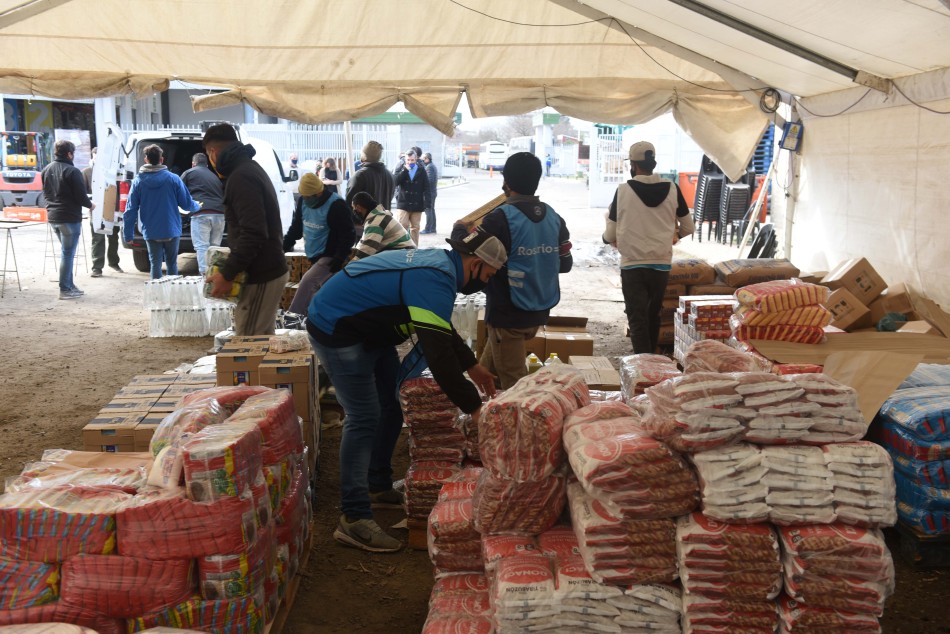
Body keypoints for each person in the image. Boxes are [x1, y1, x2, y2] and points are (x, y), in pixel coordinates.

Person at [306, 227, 507, 553]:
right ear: (475, 264)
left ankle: (377, 484)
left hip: (370, 329)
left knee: (390, 405)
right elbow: (438, 356)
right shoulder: (436, 277)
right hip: (338, 327)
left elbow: (439, 326)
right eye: (489, 275)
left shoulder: (441, 267)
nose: (486, 282)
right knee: (363, 416)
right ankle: (353, 518)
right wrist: (475, 408)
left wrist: (472, 365)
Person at [451, 152, 572, 390]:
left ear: (506, 182)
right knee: (488, 371)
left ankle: (521, 413)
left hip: (508, 315)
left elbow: (466, 247)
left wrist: (459, 228)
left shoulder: (499, 219)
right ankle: (478, 404)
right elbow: (565, 264)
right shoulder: (555, 218)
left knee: (515, 387)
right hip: (539, 310)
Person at [603, 141, 695, 354]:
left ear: (633, 165)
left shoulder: (623, 191)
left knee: (637, 319)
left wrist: (606, 238)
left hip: (632, 265)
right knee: (653, 315)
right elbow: (688, 227)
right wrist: (674, 237)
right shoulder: (673, 189)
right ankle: (651, 360)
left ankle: (642, 365)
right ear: (652, 163)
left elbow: (610, 234)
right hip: (660, 264)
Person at [202, 123, 290, 335]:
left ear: (213, 153)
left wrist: (227, 274)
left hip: (262, 273)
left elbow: (254, 232)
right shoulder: (248, 169)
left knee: (249, 343)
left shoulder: (241, 177)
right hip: (263, 271)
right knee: (258, 342)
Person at [122, 144, 200, 279]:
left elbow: (130, 210)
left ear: (146, 160)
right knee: (172, 264)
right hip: (171, 229)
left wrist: (128, 234)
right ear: (161, 159)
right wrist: (197, 206)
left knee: (155, 264)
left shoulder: (138, 182)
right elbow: (187, 204)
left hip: (151, 231)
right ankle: (172, 290)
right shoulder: (173, 179)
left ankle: (156, 291)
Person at [282, 172, 355, 315]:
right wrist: (283, 246)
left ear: (319, 193)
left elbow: (348, 234)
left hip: (329, 255)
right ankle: (319, 319)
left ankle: (293, 316)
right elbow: (296, 228)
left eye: (309, 197)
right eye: (304, 196)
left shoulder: (336, 205)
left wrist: (339, 258)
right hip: (313, 253)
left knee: (307, 283)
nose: (306, 199)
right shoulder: (303, 201)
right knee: (324, 293)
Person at [42, 139, 95, 300]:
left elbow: (45, 194)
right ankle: (65, 288)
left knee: (67, 253)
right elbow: (81, 196)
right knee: (67, 254)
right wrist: (91, 205)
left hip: (53, 217)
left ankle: (70, 285)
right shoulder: (73, 171)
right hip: (69, 218)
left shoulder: (46, 169)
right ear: (70, 154)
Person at [181, 152, 226, 277]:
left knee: (202, 246)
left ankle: (204, 277)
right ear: (206, 165)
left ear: (193, 163)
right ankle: (215, 276)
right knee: (215, 247)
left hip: (201, 213)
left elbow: (178, 191)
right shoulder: (215, 176)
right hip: (220, 214)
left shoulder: (189, 173)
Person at [82, 147, 122, 277]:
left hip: (112, 209)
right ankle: (97, 267)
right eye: (96, 157)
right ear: (92, 157)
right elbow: (83, 192)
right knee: (97, 239)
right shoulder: (87, 172)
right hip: (96, 210)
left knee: (113, 237)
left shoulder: (112, 172)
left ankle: (113, 262)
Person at [348, 191, 414, 262]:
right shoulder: (378, 217)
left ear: (358, 207)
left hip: (404, 255)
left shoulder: (375, 223)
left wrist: (348, 266)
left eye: (354, 208)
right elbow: (363, 243)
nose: (354, 211)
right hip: (406, 252)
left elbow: (365, 252)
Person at [345, 141, 395, 212]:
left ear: (364, 156)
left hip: (365, 218)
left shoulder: (360, 176)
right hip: (385, 217)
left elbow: (349, 203)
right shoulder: (390, 175)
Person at [393, 150, 430, 245]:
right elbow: (395, 182)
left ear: (416, 159)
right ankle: (402, 247)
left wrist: (427, 203)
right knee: (402, 226)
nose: (410, 162)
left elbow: (427, 187)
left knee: (415, 228)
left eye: (412, 160)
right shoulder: (401, 168)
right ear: (405, 160)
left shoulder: (421, 170)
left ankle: (414, 248)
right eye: (408, 160)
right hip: (403, 203)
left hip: (417, 203)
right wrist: (404, 170)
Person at [420, 152, 439, 234]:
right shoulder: (431, 166)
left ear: (427, 159)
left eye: (423, 159)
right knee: (431, 210)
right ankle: (433, 228)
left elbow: (429, 180)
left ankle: (428, 229)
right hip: (432, 192)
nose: (422, 160)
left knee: (428, 210)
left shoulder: (429, 167)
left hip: (430, 193)